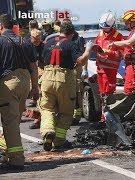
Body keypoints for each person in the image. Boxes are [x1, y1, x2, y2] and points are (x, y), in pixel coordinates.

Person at [40, 20, 93, 151]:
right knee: (66, 112)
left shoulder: (48, 43)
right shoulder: (71, 44)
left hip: (46, 78)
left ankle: (47, 131)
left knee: (47, 109)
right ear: (72, 33)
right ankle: (58, 141)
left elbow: (40, 62)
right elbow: (80, 61)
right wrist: (88, 50)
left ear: (59, 30)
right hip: (64, 79)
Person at [0, 14, 38, 170]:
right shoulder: (25, 41)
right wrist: (35, 87)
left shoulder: (1, 41)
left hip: (8, 83)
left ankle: (16, 160)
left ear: (1, 26)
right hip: (24, 83)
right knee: (14, 120)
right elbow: (34, 66)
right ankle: (6, 151)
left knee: (10, 123)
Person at [108, 10, 135, 94]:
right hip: (131, 66)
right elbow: (129, 48)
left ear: (132, 22)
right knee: (130, 90)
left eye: (127, 22)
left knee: (130, 90)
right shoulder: (134, 31)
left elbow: (129, 43)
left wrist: (115, 43)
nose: (125, 24)